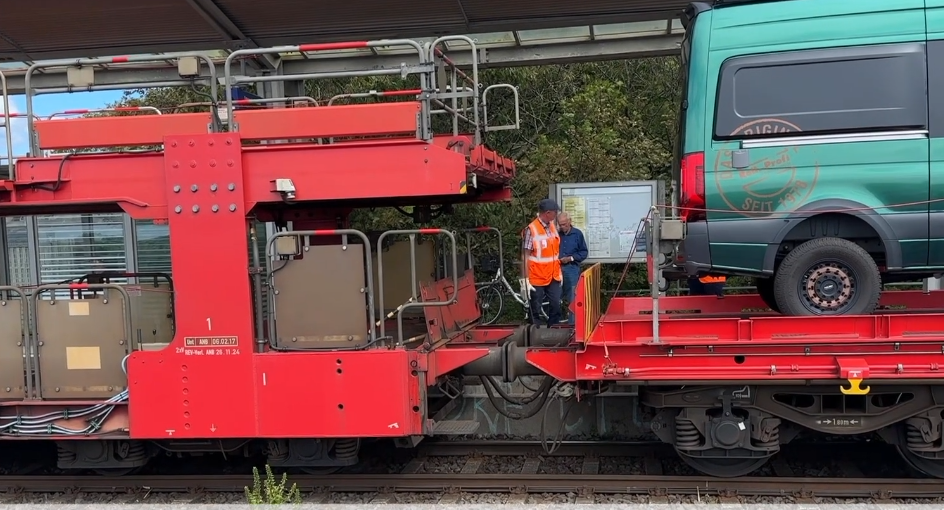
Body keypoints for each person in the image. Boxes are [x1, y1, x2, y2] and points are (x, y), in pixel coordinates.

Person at [521, 198, 563, 326]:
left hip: (553, 275)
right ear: (548, 213)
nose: (557, 215)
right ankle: (535, 331)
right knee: (535, 308)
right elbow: (525, 255)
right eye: (555, 212)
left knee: (556, 303)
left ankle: (553, 328)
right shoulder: (531, 229)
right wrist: (524, 279)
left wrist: (559, 273)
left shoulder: (551, 226)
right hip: (537, 276)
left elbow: (553, 253)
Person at [557, 212, 588, 324]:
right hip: (557, 268)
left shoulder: (577, 234)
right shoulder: (557, 234)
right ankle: (556, 324)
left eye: (564, 224)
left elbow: (584, 252)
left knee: (572, 298)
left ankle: (573, 325)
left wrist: (570, 258)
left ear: (569, 222)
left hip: (571, 268)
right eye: (560, 224)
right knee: (555, 296)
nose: (562, 227)